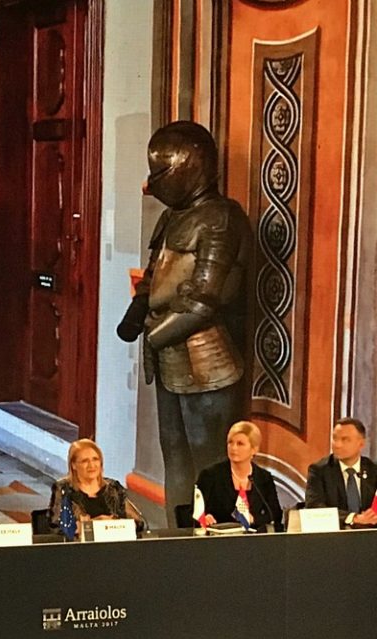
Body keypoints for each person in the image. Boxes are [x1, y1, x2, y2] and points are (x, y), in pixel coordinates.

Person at [116, 122, 253, 523]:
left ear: (189, 166)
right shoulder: (172, 216)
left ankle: (212, 539)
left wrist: (154, 336)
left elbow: (205, 297)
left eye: (160, 172)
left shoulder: (221, 218)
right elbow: (155, 275)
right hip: (169, 355)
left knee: (210, 461)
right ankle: (177, 534)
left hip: (207, 355)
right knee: (174, 454)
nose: (153, 182)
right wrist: (136, 312)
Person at [193, 421, 281, 531]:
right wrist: (204, 518)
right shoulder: (210, 476)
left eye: (240, 444)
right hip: (219, 537)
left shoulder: (264, 478)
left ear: (254, 449)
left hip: (254, 538)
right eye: (230, 442)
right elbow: (193, 512)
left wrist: (254, 519)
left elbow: (275, 515)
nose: (233, 448)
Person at [49, 439, 145, 533]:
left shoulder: (113, 488)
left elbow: (139, 523)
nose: (91, 465)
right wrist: (94, 524)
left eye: (95, 459)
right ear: (73, 465)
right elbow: (57, 526)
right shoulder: (63, 489)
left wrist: (113, 524)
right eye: (85, 461)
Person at [305, 418, 377, 527]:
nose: (337, 445)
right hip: (335, 534)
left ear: (361, 444)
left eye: (345, 440)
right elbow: (314, 508)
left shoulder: (373, 470)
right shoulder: (319, 471)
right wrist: (353, 518)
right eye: (335, 438)